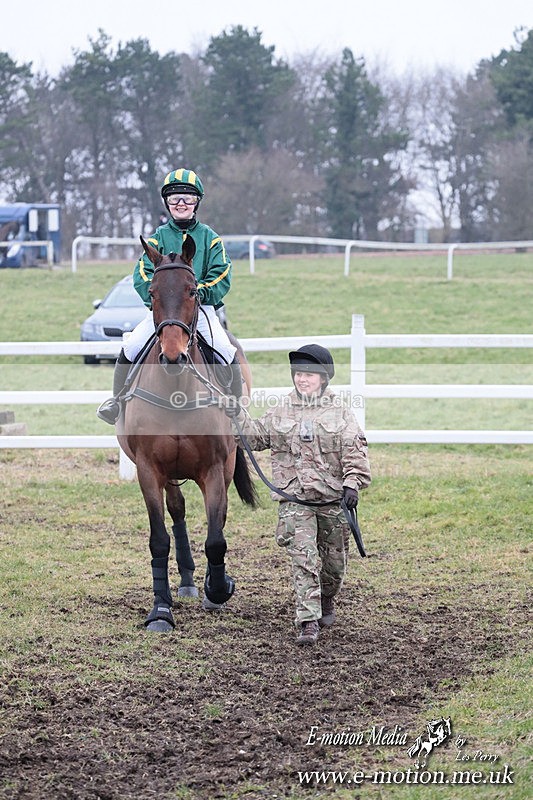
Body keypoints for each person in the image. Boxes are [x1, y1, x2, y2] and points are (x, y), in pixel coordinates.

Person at [232, 344, 371, 645]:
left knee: (334, 566)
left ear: (323, 379)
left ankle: (326, 598)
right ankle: (307, 621)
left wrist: (352, 484)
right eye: (298, 374)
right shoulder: (281, 409)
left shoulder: (340, 412)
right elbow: (255, 437)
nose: (302, 379)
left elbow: (355, 452)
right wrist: (236, 414)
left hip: (333, 500)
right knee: (304, 558)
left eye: (309, 374)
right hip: (295, 500)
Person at [97, 168, 240, 424]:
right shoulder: (157, 238)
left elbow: (223, 273)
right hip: (164, 312)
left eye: (187, 198)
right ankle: (116, 402)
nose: (181, 203)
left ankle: (236, 407)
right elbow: (142, 274)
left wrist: (200, 293)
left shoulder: (211, 239)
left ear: (197, 202)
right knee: (130, 346)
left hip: (200, 308)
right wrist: (158, 300)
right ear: (167, 204)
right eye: (174, 199)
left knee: (225, 349)